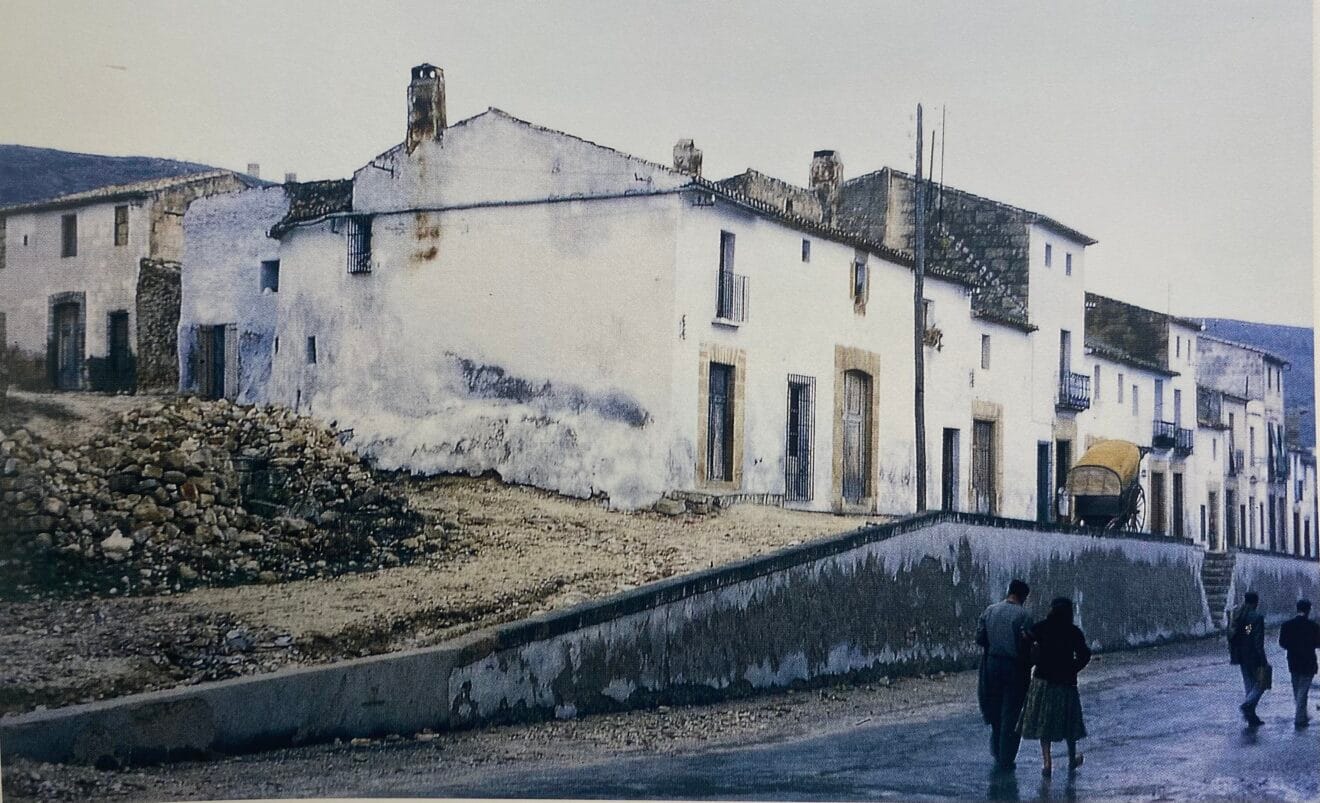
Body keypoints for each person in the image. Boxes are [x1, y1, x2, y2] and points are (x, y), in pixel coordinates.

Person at [1018, 597, 1091, 776]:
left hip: (1043, 681)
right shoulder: (1074, 632)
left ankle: (1047, 763)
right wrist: (1073, 667)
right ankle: (1072, 758)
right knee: (1069, 724)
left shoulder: (1042, 627)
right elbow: (1084, 655)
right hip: (1066, 683)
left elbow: (1026, 639)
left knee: (1044, 722)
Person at [977, 578, 1033, 770]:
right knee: (1012, 713)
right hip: (1015, 668)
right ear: (1023, 596)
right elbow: (1026, 646)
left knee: (995, 708)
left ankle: (997, 750)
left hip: (991, 665)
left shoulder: (990, 610)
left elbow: (980, 638)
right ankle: (1006, 758)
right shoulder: (1023, 615)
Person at [1228, 590, 1269, 726]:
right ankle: (1247, 705)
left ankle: (1251, 716)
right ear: (1256, 602)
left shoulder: (1237, 614)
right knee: (1261, 684)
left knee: (1249, 685)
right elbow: (1257, 641)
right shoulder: (1255, 617)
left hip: (1240, 655)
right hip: (1253, 656)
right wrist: (1263, 660)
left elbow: (1244, 633)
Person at [1278, 598, 1319, 727]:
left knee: (1297, 689)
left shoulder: (1287, 625)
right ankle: (1300, 717)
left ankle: (1302, 713)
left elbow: (1282, 643)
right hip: (1308, 661)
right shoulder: (1313, 626)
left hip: (1293, 660)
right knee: (1303, 690)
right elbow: (1318, 642)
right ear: (1308, 610)